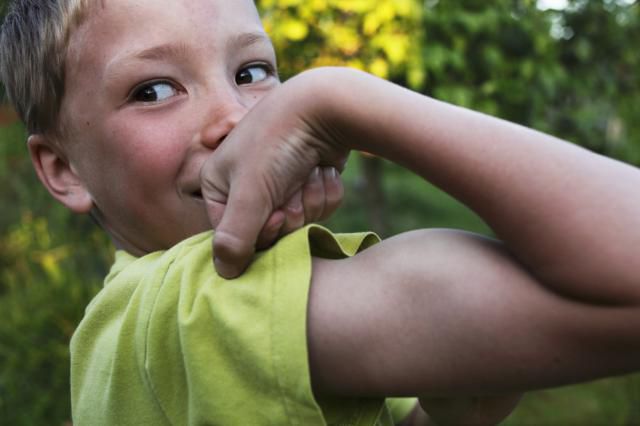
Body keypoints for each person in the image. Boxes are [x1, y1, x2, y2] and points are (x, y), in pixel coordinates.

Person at [1, 0, 639, 425]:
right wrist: (342, 99)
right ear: (63, 169)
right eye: (154, 90)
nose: (237, 119)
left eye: (253, 72)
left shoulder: (137, 329)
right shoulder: (195, 311)